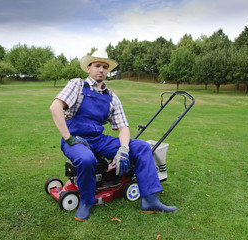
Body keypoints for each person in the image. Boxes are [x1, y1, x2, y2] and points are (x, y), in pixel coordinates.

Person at [49, 50, 177, 222]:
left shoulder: (111, 97)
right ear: (88, 68)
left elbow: (123, 127)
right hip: (75, 139)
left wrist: (124, 149)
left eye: (104, 67)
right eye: (97, 66)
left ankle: (150, 200)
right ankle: (86, 202)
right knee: (87, 160)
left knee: (142, 147)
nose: (101, 70)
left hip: (98, 140)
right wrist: (69, 138)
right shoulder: (77, 85)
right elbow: (55, 107)